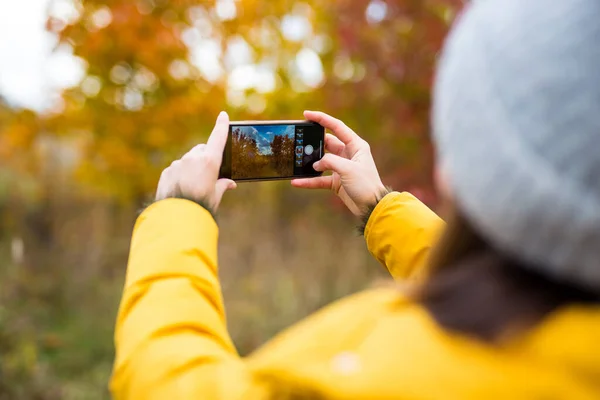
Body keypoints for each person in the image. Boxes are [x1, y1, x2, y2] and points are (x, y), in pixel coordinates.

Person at [110, 0, 600, 399]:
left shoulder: (373, 375)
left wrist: (178, 215)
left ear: (463, 172)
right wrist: (381, 208)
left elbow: (168, 386)